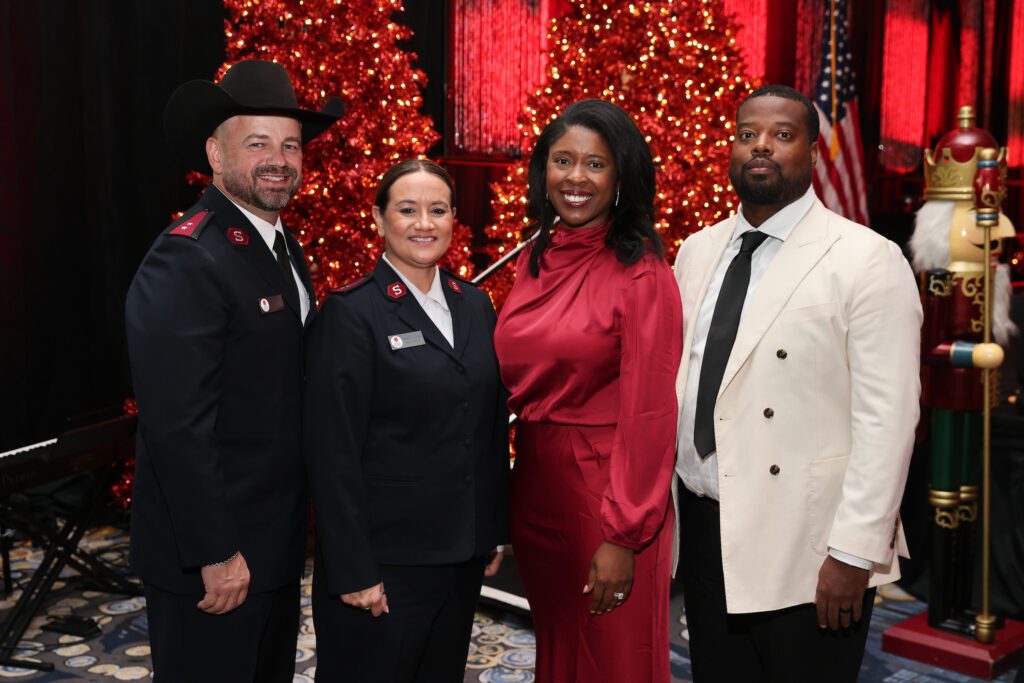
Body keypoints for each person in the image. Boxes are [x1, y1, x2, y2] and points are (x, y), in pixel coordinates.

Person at [672, 84, 921, 682]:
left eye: (782, 135)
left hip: (807, 541)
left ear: (812, 152)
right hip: (706, 525)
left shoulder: (866, 257)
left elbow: (887, 421)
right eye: (747, 134)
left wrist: (853, 554)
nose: (762, 146)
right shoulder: (696, 251)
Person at [125, 60, 343, 682]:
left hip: (270, 544)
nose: (279, 159)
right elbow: (176, 425)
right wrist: (215, 551)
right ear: (216, 157)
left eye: (290, 145)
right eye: (257, 144)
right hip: (215, 554)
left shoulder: (278, 244)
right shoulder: (188, 256)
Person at [493, 99, 682, 682]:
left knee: (613, 659)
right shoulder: (536, 256)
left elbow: (650, 415)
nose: (576, 178)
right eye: (563, 161)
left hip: (608, 495)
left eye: (595, 165)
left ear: (621, 177)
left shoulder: (643, 272)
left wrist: (623, 536)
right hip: (538, 483)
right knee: (558, 648)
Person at [304, 159, 509, 682]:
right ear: (378, 219)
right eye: (408, 209)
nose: (425, 223)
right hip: (385, 564)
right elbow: (332, 452)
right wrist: (352, 568)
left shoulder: (476, 305)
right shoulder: (350, 313)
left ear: (454, 220)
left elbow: (486, 427)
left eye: (438, 210)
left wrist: (493, 528)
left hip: (460, 556)